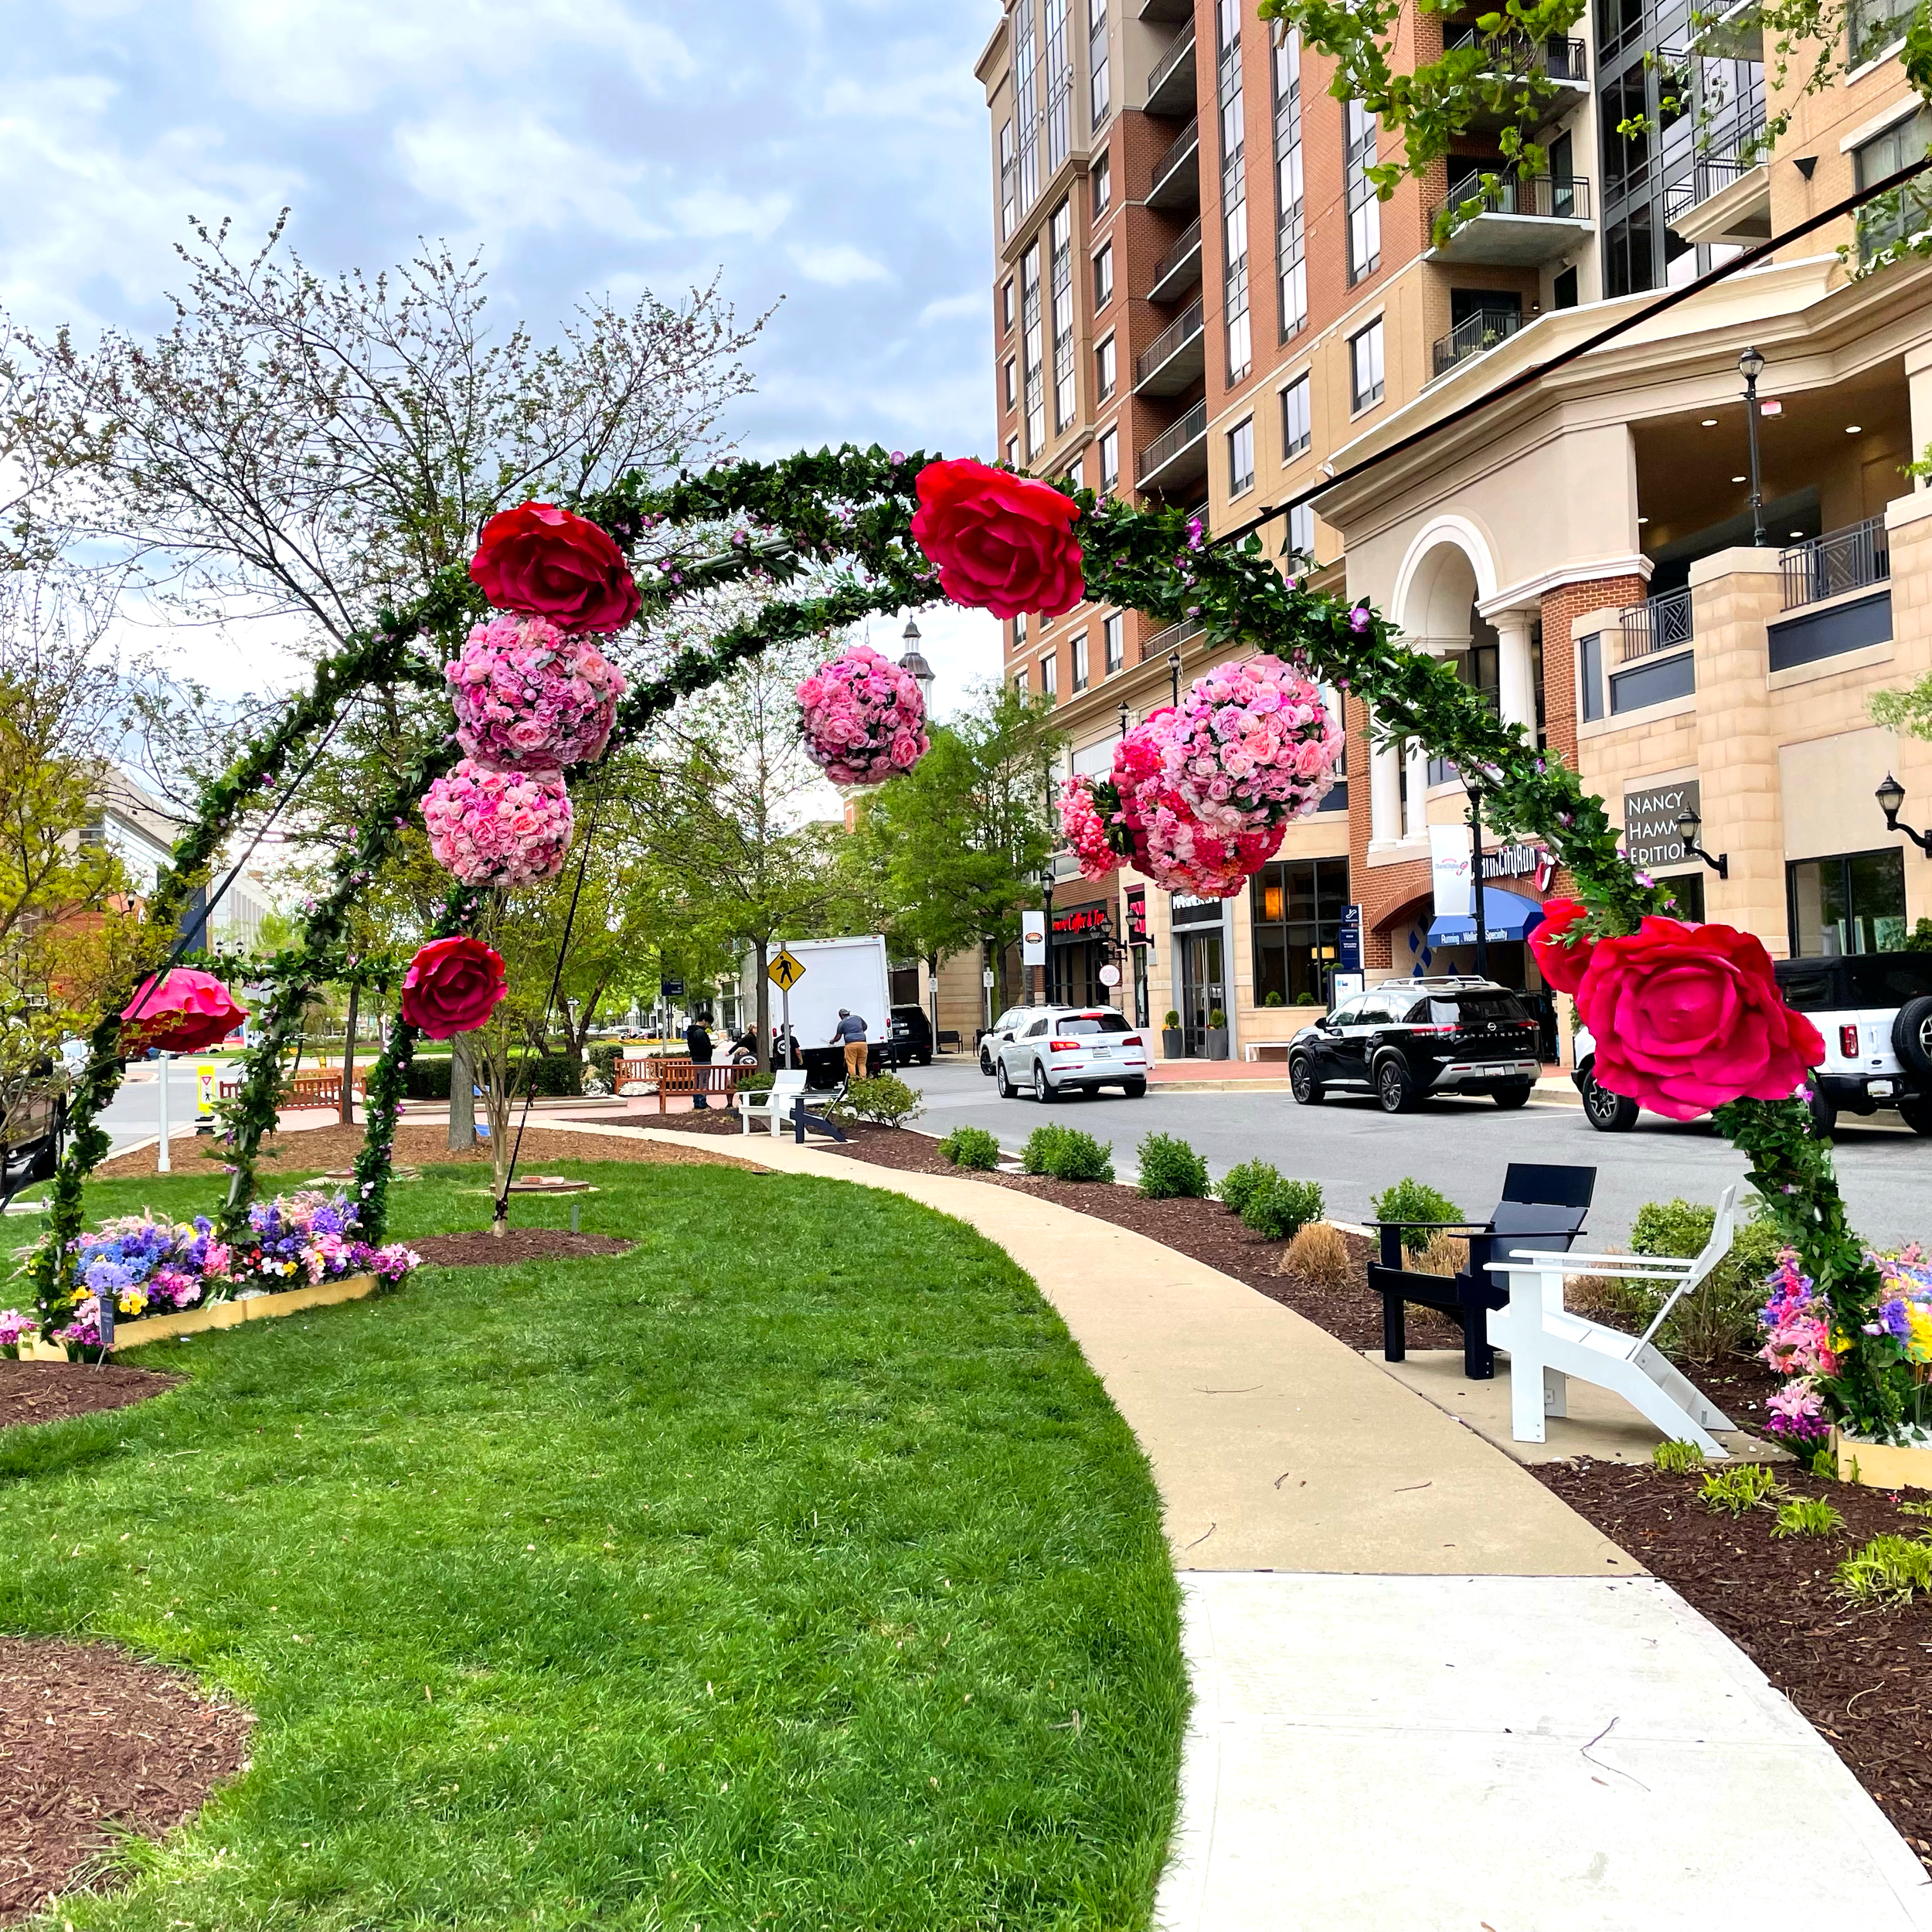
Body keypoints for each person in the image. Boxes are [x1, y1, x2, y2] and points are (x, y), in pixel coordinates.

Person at [684, 1012, 715, 1107]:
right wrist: (711, 1047)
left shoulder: (691, 1031)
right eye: (708, 1023)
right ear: (704, 1021)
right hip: (703, 1060)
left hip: (695, 1059)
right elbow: (704, 1047)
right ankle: (702, 1103)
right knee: (703, 1082)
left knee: (697, 1082)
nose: (708, 1026)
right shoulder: (701, 1032)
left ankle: (697, 1102)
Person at [831, 1007, 869, 1084]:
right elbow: (865, 1027)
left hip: (851, 1044)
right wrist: (859, 1032)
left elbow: (838, 1037)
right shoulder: (858, 1018)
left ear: (841, 1015)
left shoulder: (842, 1023)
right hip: (862, 1043)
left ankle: (854, 1082)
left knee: (851, 1063)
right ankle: (863, 1080)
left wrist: (833, 1041)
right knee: (861, 1063)